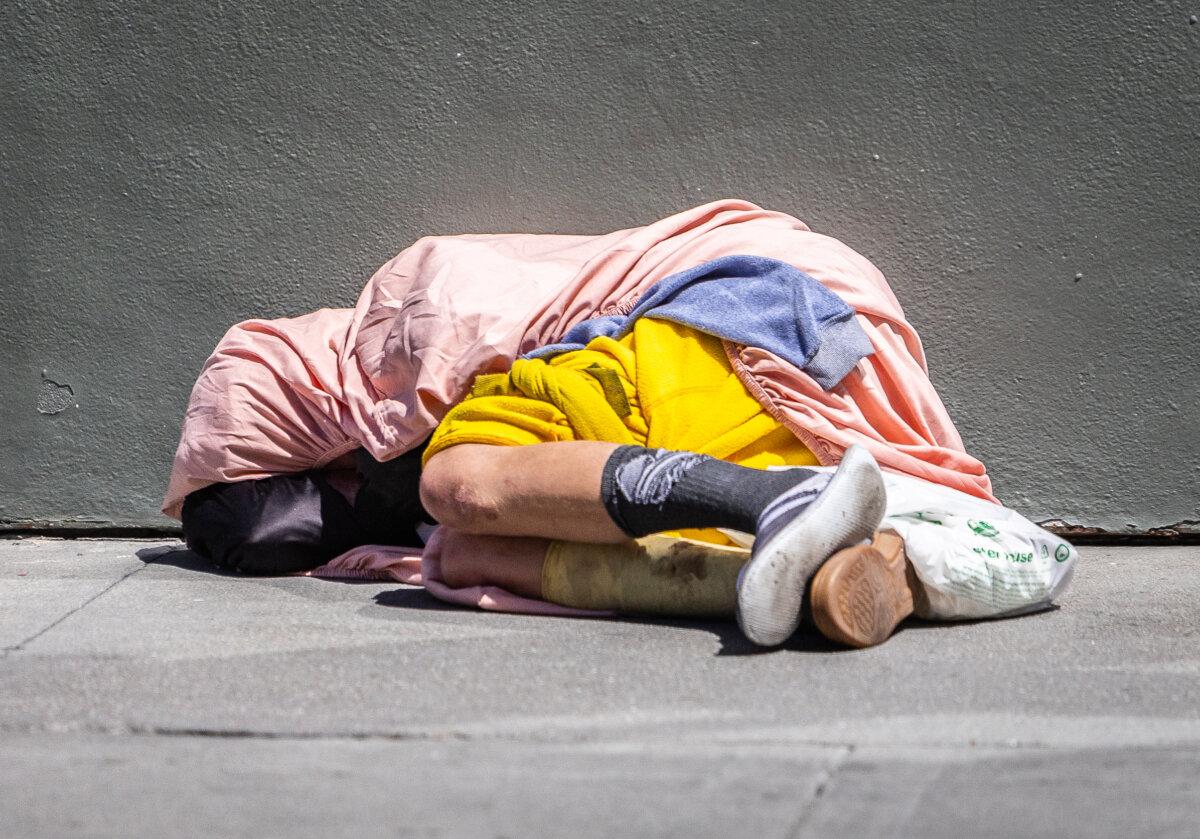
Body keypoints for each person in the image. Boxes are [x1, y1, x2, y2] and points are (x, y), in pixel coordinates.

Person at [166, 200, 1011, 648]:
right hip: (757, 375)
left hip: (742, 313)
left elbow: (472, 324)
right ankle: (862, 565)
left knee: (457, 480)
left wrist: (402, 461)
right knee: (460, 553)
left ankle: (778, 498)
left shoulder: (410, 304)